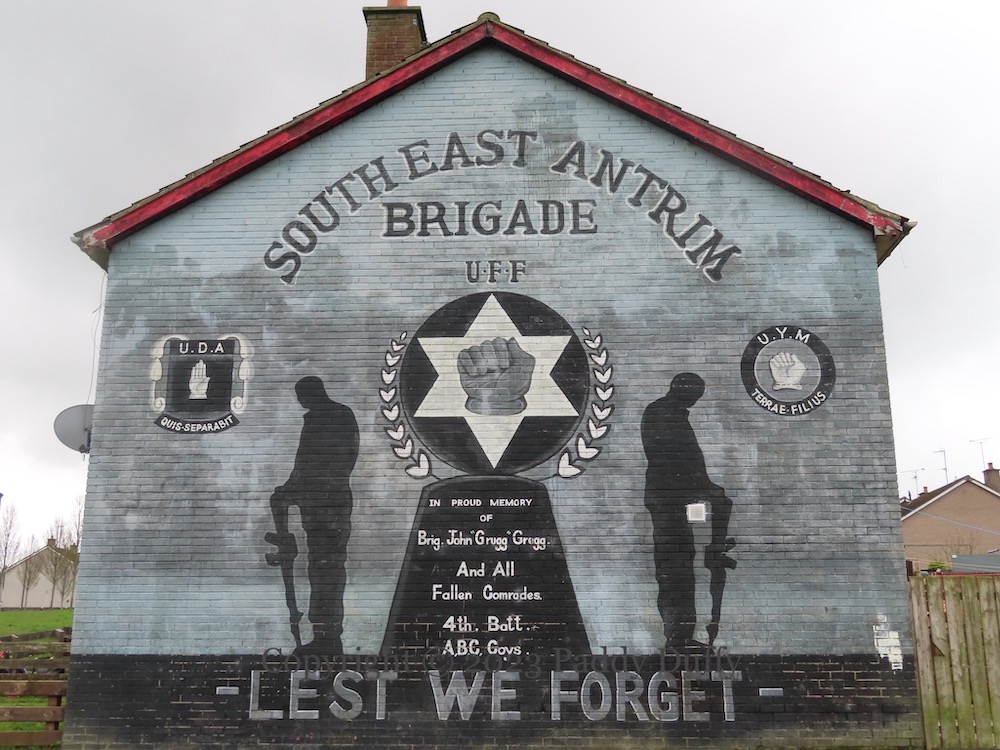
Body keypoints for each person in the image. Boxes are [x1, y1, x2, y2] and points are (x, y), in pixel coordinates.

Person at [642, 372, 734, 651]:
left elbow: (687, 461)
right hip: (670, 499)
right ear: (682, 390)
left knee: (680, 564)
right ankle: (677, 638)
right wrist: (705, 487)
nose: (696, 399)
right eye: (695, 393)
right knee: (674, 567)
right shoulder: (664, 413)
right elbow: (675, 460)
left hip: (677, 499)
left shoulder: (670, 413)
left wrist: (706, 489)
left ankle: (682, 635)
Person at [267, 376, 358, 655]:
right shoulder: (330, 415)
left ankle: (327, 637)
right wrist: (291, 489)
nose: (300, 402)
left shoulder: (330, 417)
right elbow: (305, 464)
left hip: (328, 505)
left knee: (326, 568)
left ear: (310, 394)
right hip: (322, 502)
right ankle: (324, 635)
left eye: (301, 396)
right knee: (322, 567)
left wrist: (296, 488)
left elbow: (324, 463)